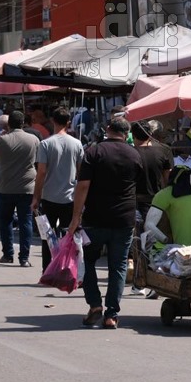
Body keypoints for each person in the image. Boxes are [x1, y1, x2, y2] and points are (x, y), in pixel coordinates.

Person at [69, 117, 144, 330]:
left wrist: (76, 217)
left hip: (95, 218)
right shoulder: (134, 154)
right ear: (126, 133)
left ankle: (94, 305)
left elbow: (83, 186)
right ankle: (112, 314)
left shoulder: (94, 152)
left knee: (88, 261)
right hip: (124, 219)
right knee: (118, 266)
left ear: (107, 130)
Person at [0, 111, 40, 266]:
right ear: (23, 123)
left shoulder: (1, 139)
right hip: (27, 187)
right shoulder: (33, 139)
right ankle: (24, 258)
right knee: (25, 221)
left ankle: (8, 254)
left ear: (8, 125)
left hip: (5, 187)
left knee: (6, 221)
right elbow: (40, 161)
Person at [33, 107, 83, 270]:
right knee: (70, 235)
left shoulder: (46, 144)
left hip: (49, 197)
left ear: (53, 121)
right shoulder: (77, 144)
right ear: (68, 123)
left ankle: (48, 269)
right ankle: (68, 267)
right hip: (69, 197)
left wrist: (36, 197)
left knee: (48, 235)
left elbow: (41, 172)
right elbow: (81, 172)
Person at [131, 120, 172, 216]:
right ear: (150, 133)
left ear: (133, 135)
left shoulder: (129, 153)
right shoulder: (164, 150)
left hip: (135, 201)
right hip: (158, 199)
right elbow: (167, 176)